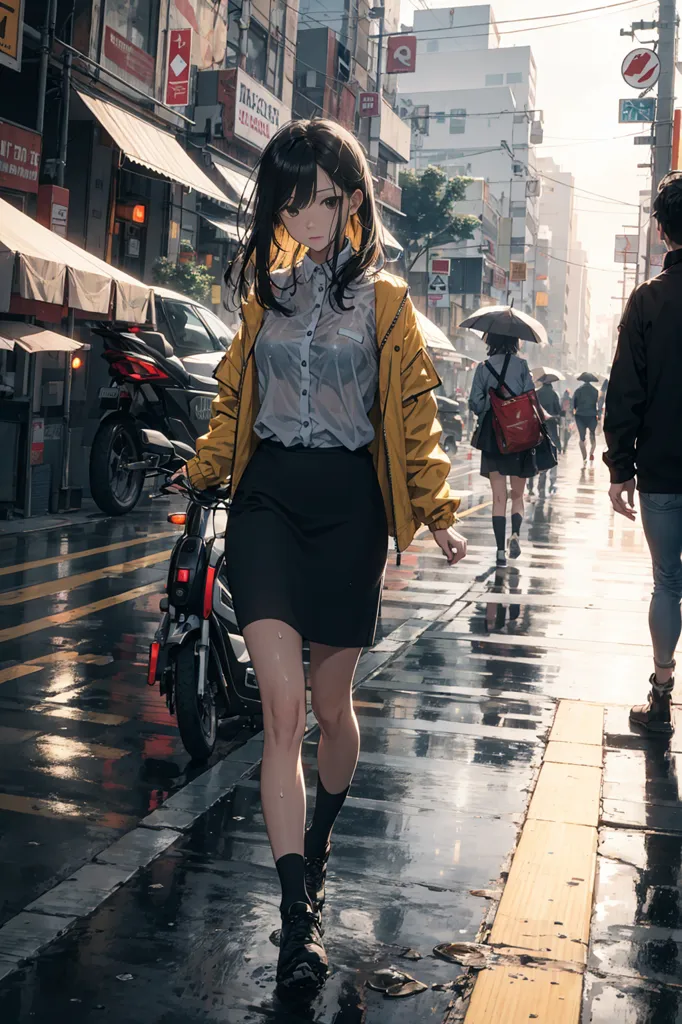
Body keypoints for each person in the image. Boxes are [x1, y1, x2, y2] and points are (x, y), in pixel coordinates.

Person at [169, 119, 467, 995]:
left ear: (353, 199)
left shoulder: (387, 302)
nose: (311, 215)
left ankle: (320, 837)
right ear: (276, 205)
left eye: (328, 198)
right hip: (268, 504)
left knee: (335, 712)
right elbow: (234, 403)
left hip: (348, 512)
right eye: (295, 199)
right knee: (284, 709)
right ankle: (299, 919)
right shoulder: (265, 296)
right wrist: (197, 469)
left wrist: (439, 509)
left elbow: (414, 416)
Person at [604, 171, 682, 735]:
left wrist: (620, 467)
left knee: (668, 583)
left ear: (660, 230)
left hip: (662, 471)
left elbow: (625, 389)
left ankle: (661, 694)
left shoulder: (648, 301)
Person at [469, 334, 535, 567]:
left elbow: (475, 404)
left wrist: (492, 401)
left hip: (492, 437)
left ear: (491, 341)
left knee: (499, 496)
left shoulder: (483, 368)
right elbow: (531, 399)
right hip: (519, 435)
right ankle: (515, 534)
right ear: (515, 342)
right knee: (517, 494)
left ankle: (499, 552)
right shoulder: (522, 366)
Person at [535, 377, 562, 496]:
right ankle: (551, 478)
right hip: (551, 425)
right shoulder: (554, 394)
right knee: (552, 449)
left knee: (538, 450)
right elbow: (558, 410)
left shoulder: (536, 393)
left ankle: (537, 479)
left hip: (537, 425)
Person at [573, 377, 599, 462]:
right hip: (592, 415)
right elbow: (596, 403)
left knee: (582, 436)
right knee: (592, 433)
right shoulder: (595, 391)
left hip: (580, 415)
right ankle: (591, 452)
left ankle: (584, 456)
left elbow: (574, 404)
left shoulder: (578, 390)